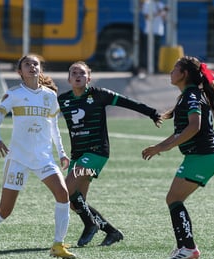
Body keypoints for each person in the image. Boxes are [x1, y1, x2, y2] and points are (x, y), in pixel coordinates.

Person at [0, 54, 76, 259]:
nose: (32, 67)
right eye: (27, 64)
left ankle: (58, 245)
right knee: (5, 210)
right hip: (18, 158)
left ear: (40, 69)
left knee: (63, 194)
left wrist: (62, 153)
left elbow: (54, 127)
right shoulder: (13, 94)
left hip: (44, 158)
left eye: (35, 64)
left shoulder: (50, 96)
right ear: (20, 71)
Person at [58, 61, 162, 247]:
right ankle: (112, 232)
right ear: (69, 78)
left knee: (66, 187)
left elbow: (127, 102)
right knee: (74, 203)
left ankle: (90, 225)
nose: (77, 75)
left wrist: (151, 112)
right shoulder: (63, 100)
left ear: (88, 78)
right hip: (78, 155)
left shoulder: (99, 94)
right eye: (73, 72)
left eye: (81, 72)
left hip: (97, 152)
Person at [142, 56, 214, 259]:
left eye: (175, 68)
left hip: (203, 157)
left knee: (173, 199)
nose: (171, 72)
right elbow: (182, 131)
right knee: (173, 199)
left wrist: (163, 147)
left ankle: (188, 247)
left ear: (184, 74)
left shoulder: (191, 95)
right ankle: (185, 245)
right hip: (200, 156)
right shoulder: (187, 95)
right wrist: (159, 147)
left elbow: (194, 126)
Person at [140, 0, 168, 73]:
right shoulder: (148, 4)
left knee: (157, 52)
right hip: (149, 31)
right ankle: (146, 67)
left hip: (158, 31)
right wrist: (159, 12)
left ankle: (156, 68)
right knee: (148, 51)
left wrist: (165, 13)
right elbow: (147, 17)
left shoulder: (161, 5)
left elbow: (164, 19)